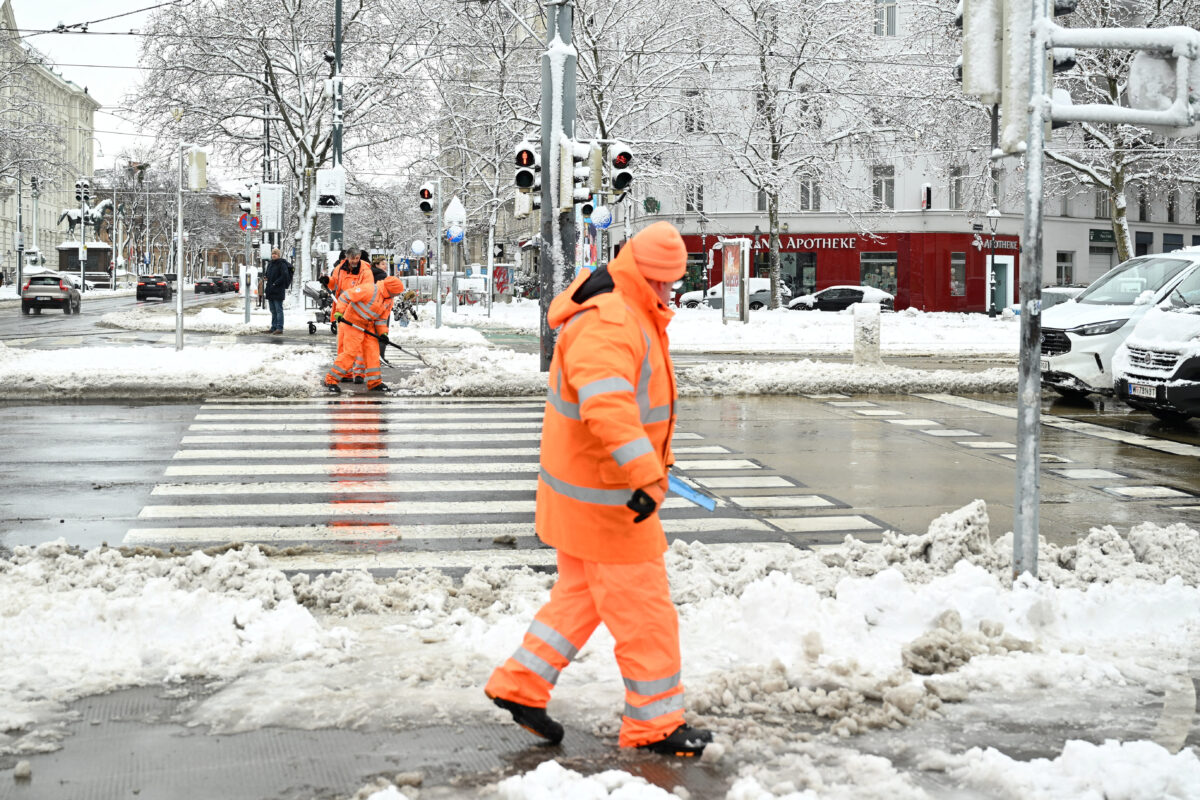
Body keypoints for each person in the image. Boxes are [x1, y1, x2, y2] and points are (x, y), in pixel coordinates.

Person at [484, 221, 712, 757]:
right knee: (647, 613)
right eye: (663, 283)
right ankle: (655, 725)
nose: (669, 293)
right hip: (612, 501)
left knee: (579, 599)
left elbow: (636, 407)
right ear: (642, 274)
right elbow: (607, 408)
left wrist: (654, 466)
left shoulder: (629, 309)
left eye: (673, 283)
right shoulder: (612, 321)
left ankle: (520, 685)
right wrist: (646, 474)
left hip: (591, 496)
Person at [323, 274, 405, 394]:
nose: (397, 295)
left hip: (369, 325)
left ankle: (374, 383)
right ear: (391, 289)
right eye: (397, 292)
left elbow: (381, 319)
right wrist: (339, 312)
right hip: (353, 322)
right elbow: (345, 296)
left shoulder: (389, 300)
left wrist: (383, 334)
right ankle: (331, 380)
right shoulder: (369, 289)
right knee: (350, 354)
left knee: (372, 353)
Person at [328, 246, 375, 382]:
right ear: (347, 258)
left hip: (357, 310)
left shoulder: (366, 271)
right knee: (342, 342)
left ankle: (359, 372)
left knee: (357, 343)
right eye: (353, 258)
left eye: (358, 258)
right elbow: (334, 284)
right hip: (342, 310)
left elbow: (367, 290)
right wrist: (327, 281)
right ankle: (345, 372)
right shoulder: (339, 269)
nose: (356, 261)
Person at [264, 249, 292, 335]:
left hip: (278, 290)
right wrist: (266, 277)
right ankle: (273, 327)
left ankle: (279, 328)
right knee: (273, 310)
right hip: (270, 289)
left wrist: (275, 283)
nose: (273, 255)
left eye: (275, 254)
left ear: (278, 255)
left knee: (278, 310)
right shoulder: (270, 264)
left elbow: (284, 276)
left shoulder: (282, 264)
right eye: (272, 254)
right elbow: (267, 274)